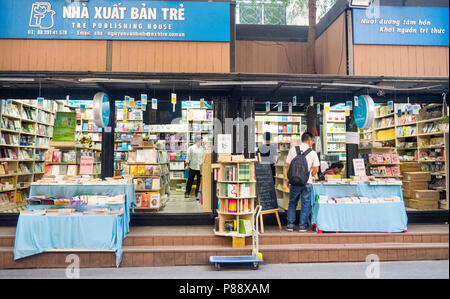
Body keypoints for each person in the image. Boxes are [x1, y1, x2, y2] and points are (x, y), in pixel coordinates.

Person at [285, 132, 320, 232]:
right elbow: (316, 169)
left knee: (292, 203)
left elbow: (288, 166)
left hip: (294, 181)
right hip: (307, 182)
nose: (312, 143)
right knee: (305, 203)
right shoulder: (312, 153)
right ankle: (302, 226)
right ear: (309, 140)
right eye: (312, 141)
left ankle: (290, 225)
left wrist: (288, 179)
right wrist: (311, 174)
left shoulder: (293, 150)